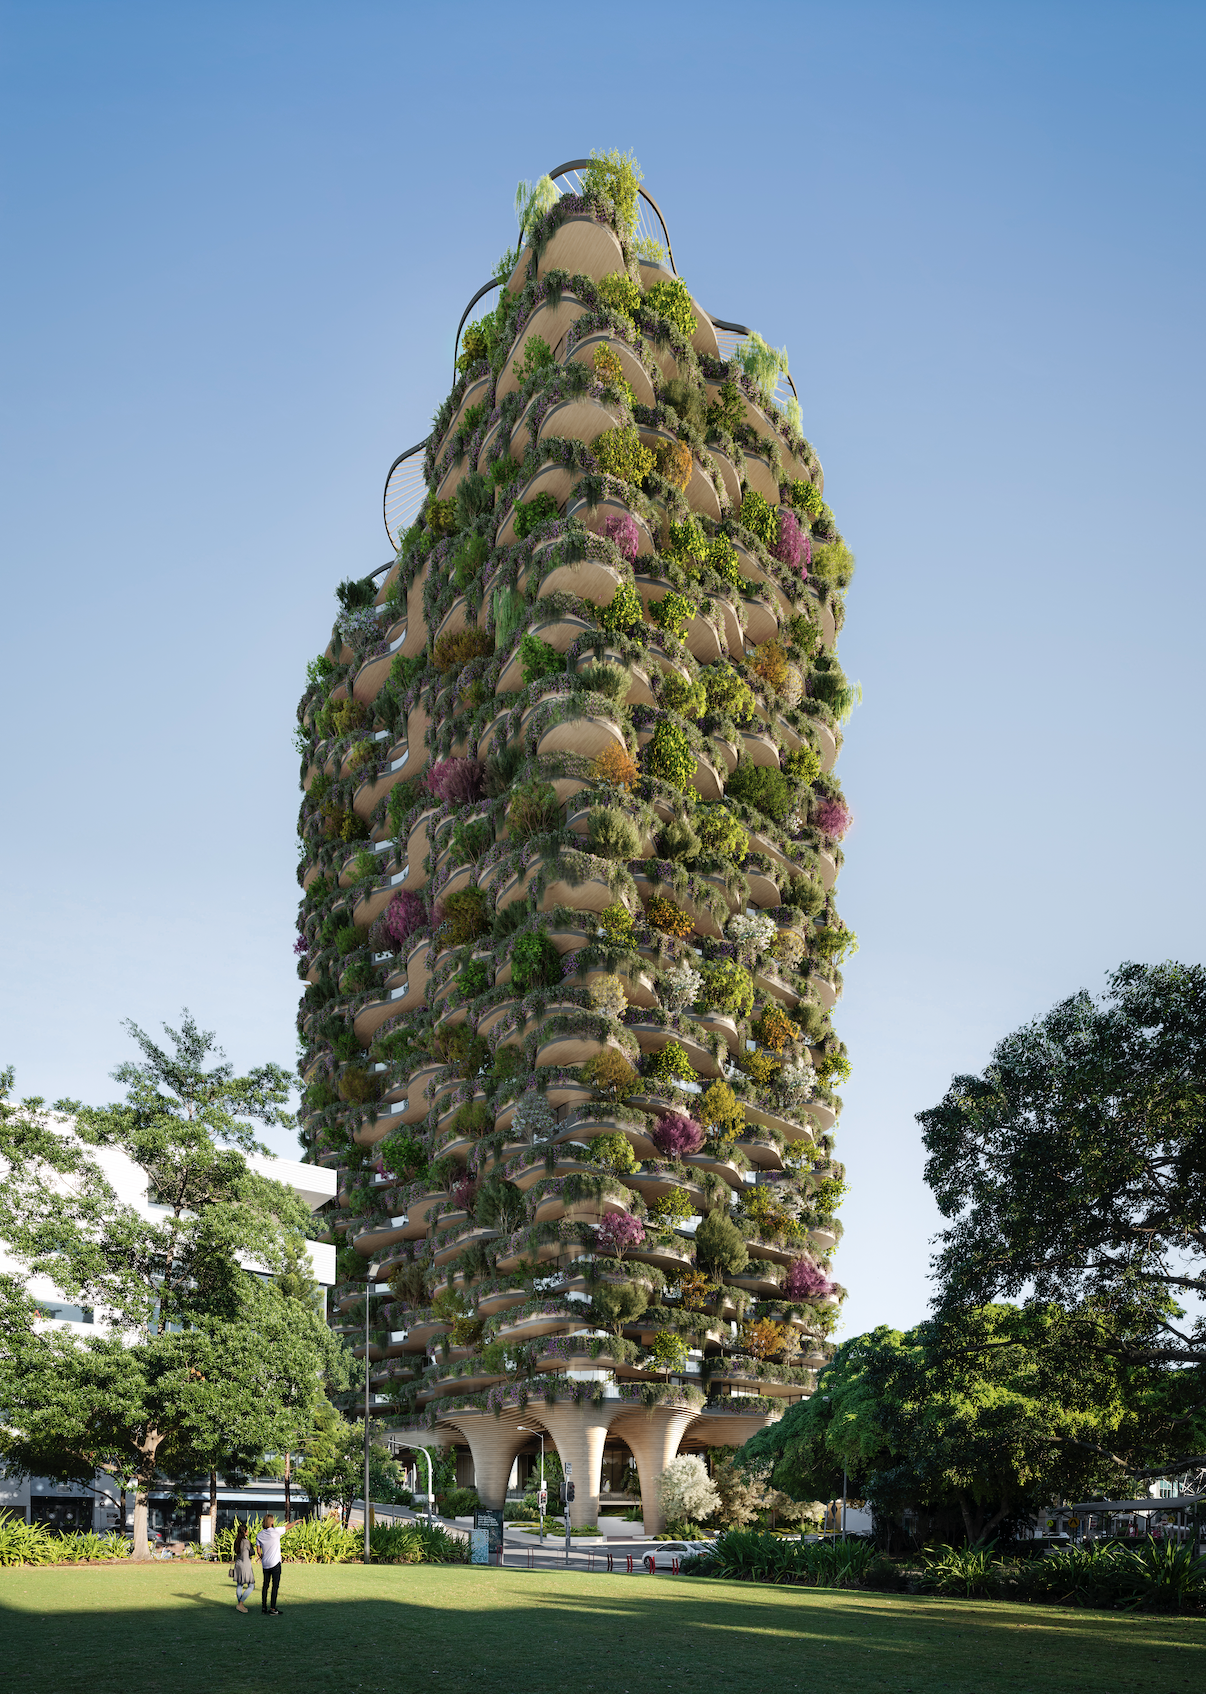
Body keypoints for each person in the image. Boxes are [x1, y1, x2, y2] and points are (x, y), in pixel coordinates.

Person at [256, 1513, 283, 1614]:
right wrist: (296, 1522)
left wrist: (263, 1557)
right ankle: (273, 1608)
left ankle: (264, 1607)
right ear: (271, 1522)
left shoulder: (260, 1534)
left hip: (265, 1563)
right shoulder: (275, 1531)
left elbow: (258, 1551)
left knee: (265, 1585)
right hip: (275, 1562)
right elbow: (288, 1527)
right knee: (275, 1585)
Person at [232, 1523, 254, 1613]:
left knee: (239, 1585)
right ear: (244, 1532)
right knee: (251, 1586)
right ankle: (241, 1603)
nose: (248, 1531)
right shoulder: (246, 1541)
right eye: (247, 1530)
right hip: (246, 1565)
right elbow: (252, 1552)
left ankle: (240, 1605)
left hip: (238, 1564)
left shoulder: (236, 1541)